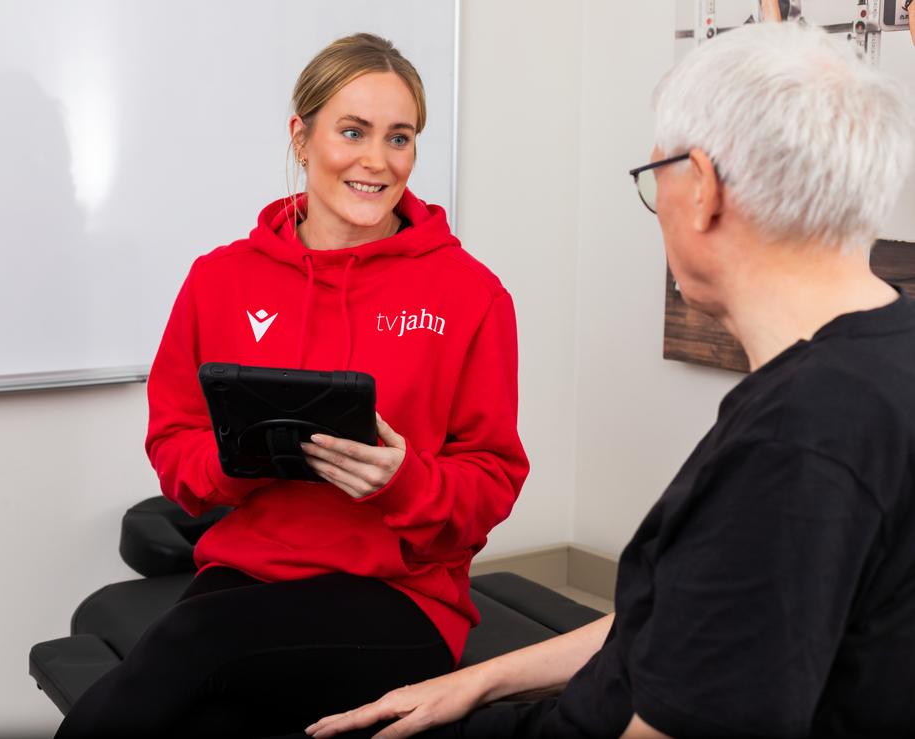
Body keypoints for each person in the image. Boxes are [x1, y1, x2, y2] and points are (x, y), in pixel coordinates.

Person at [305, 21, 915, 739]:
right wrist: (477, 679)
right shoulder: (879, 364)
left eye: (655, 179)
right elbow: (701, 619)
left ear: (701, 191)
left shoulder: (796, 445)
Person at [55, 33, 529, 737]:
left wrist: (402, 481)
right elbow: (174, 446)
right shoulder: (219, 280)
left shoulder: (470, 295)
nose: (377, 160)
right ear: (300, 138)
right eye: (351, 131)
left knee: (191, 643)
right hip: (246, 577)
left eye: (399, 137)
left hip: (398, 597)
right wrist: (237, 458)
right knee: (199, 711)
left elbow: (491, 481)